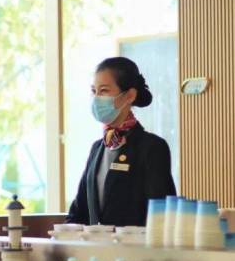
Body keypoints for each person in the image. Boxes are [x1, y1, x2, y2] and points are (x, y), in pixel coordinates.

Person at [67, 57, 176, 227]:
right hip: (96, 243)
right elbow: (79, 211)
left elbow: (161, 215)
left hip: (135, 243)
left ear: (130, 95)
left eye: (104, 91)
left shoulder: (152, 147)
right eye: (94, 91)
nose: (96, 98)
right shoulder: (97, 147)